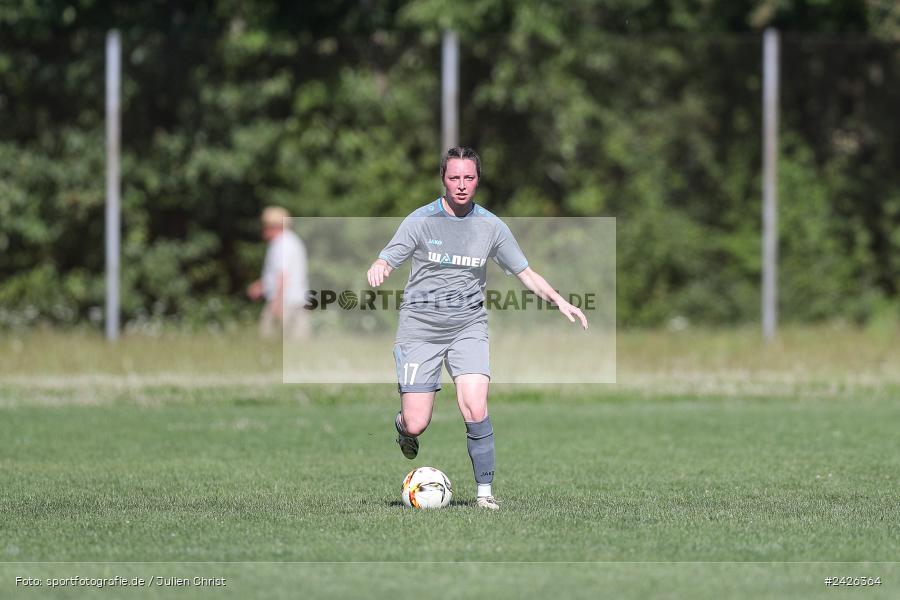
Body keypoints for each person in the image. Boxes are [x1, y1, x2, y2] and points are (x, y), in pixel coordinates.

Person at [367, 147, 587, 510]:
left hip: (468, 327)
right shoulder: (421, 221)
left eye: (469, 178)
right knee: (417, 422)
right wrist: (381, 266)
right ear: (443, 179)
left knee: (475, 405)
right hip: (420, 328)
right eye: (454, 177)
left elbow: (525, 273)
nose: (461, 185)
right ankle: (402, 426)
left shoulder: (491, 227)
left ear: (478, 180)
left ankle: (484, 495)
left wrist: (559, 300)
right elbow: (388, 256)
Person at [247, 206, 310, 340]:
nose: (263, 230)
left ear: (273, 226)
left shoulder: (281, 244)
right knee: (299, 345)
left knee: (268, 339)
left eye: (265, 226)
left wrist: (277, 302)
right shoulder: (293, 241)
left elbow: (283, 275)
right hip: (298, 299)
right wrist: (261, 285)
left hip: (284, 301)